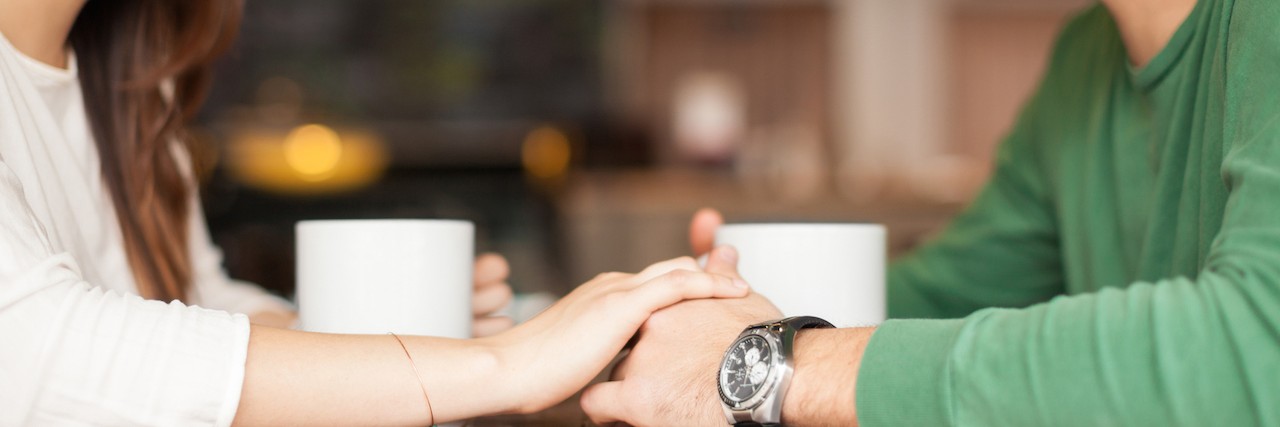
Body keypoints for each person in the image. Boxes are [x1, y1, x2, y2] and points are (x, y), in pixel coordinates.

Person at [0, 0, 752, 424]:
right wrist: (503, 364)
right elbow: (37, 352)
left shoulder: (130, 89)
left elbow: (198, 306)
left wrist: (387, 324)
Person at [581, 0, 1280, 425]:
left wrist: (774, 366)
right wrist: (708, 307)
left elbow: (1256, 351)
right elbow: (948, 294)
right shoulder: (1086, 58)